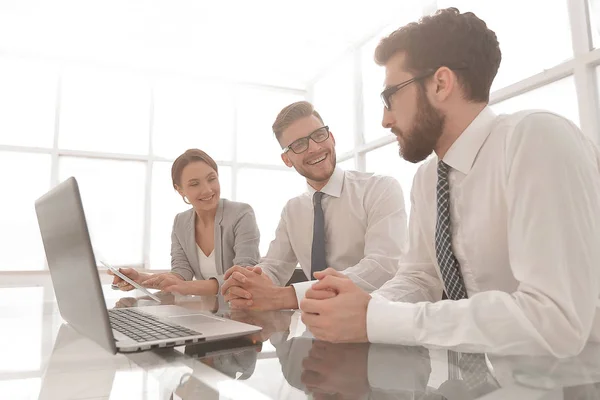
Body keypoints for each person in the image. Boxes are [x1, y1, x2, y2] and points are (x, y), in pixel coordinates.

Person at [300, 8, 600, 357]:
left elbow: (556, 322)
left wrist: (377, 319)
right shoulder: (429, 178)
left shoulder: (536, 138)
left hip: (575, 381)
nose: (385, 119)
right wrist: (361, 306)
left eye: (390, 97)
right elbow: (420, 278)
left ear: (441, 84)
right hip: (492, 379)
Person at [221, 101, 407, 310]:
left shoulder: (379, 189)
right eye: (299, 145)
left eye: (319, 135)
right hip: (314, 327)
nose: (314, 148)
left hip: (375, 320)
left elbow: (383, 266)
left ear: (332, 138)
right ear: (287, 159)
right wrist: (247, 283)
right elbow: (274, 267)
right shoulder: (292, 210)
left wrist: (292, 295)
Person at [110, 148, 260, 295]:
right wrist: (140, 279)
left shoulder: (241, 214)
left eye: (211, 179)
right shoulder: (180, 222)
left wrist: (187, 287)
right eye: (195, 184)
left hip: (245, 311)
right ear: (180, 189)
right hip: (209, 311)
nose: (207, 190)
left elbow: (243, 276)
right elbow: (181, 273)